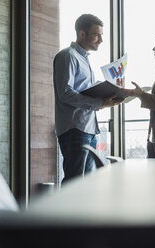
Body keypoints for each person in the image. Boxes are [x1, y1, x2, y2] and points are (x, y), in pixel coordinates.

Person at [53, 14, 123, 184]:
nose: (101, 40)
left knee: (86, 185)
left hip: (89, 129)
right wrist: (100, 103)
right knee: (74, 184)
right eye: (97, 35)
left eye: (102, 35)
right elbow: (65, 93)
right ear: (82, 34)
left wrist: (112, 89)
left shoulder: (84, 60)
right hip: (75, 129)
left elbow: (85, 91)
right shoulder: (67, 56)